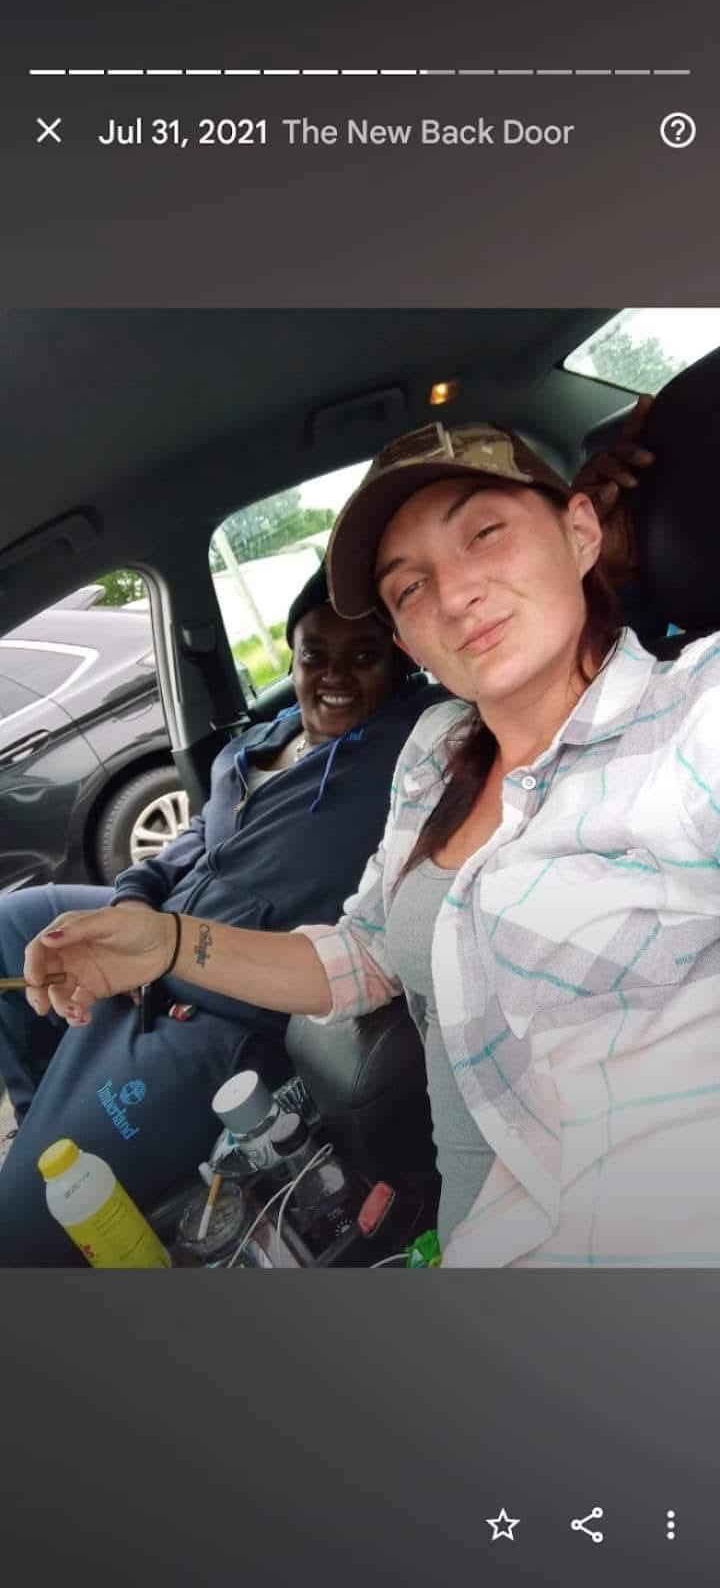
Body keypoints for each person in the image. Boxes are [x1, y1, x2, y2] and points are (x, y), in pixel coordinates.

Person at [24, 411, 720, 1269]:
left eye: (485, 532)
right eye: (410, 587)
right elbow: (367, 955)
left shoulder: (694, 722)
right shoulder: (431, 756)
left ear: (579, 531)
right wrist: (168, 939)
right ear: (408, 638)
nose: (455, 592)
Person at [0, 561, 441, 1264]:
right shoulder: (255, 745)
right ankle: (43, 1118)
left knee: (16, 1237)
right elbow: (189, 849)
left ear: (403, 664)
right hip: (157, 938)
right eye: (313, 656)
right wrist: (130, 904)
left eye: (364, 657)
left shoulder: (409, 745)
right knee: (17, 923)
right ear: (291, 658)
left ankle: (56, 1159)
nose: (335, 675)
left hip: (222, 1005)